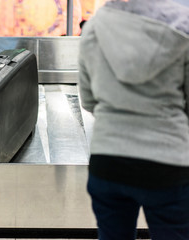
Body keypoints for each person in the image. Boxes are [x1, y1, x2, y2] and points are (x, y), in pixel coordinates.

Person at [78, 0, 189, 239]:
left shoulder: (94, 27)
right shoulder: (183, 26)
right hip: (168, 161)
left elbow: (88, 100)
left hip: (108, 159)